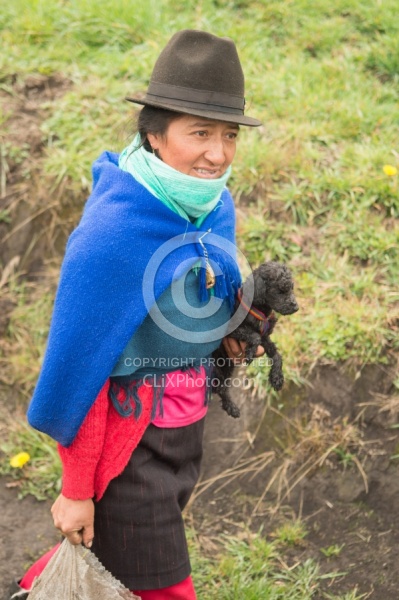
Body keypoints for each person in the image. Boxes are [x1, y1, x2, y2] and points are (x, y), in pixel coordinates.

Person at [10, 29, 262, 600]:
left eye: (228, 136)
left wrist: (240, 321)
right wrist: (77, 488)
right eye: (199, 133)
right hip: (127, 450)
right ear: (154, 133)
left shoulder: (211, 206)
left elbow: (205, 310)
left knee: (115, 569)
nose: (217, 154)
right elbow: (82, 370)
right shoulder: (110, 238)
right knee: (164, 586)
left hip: (184, 433)